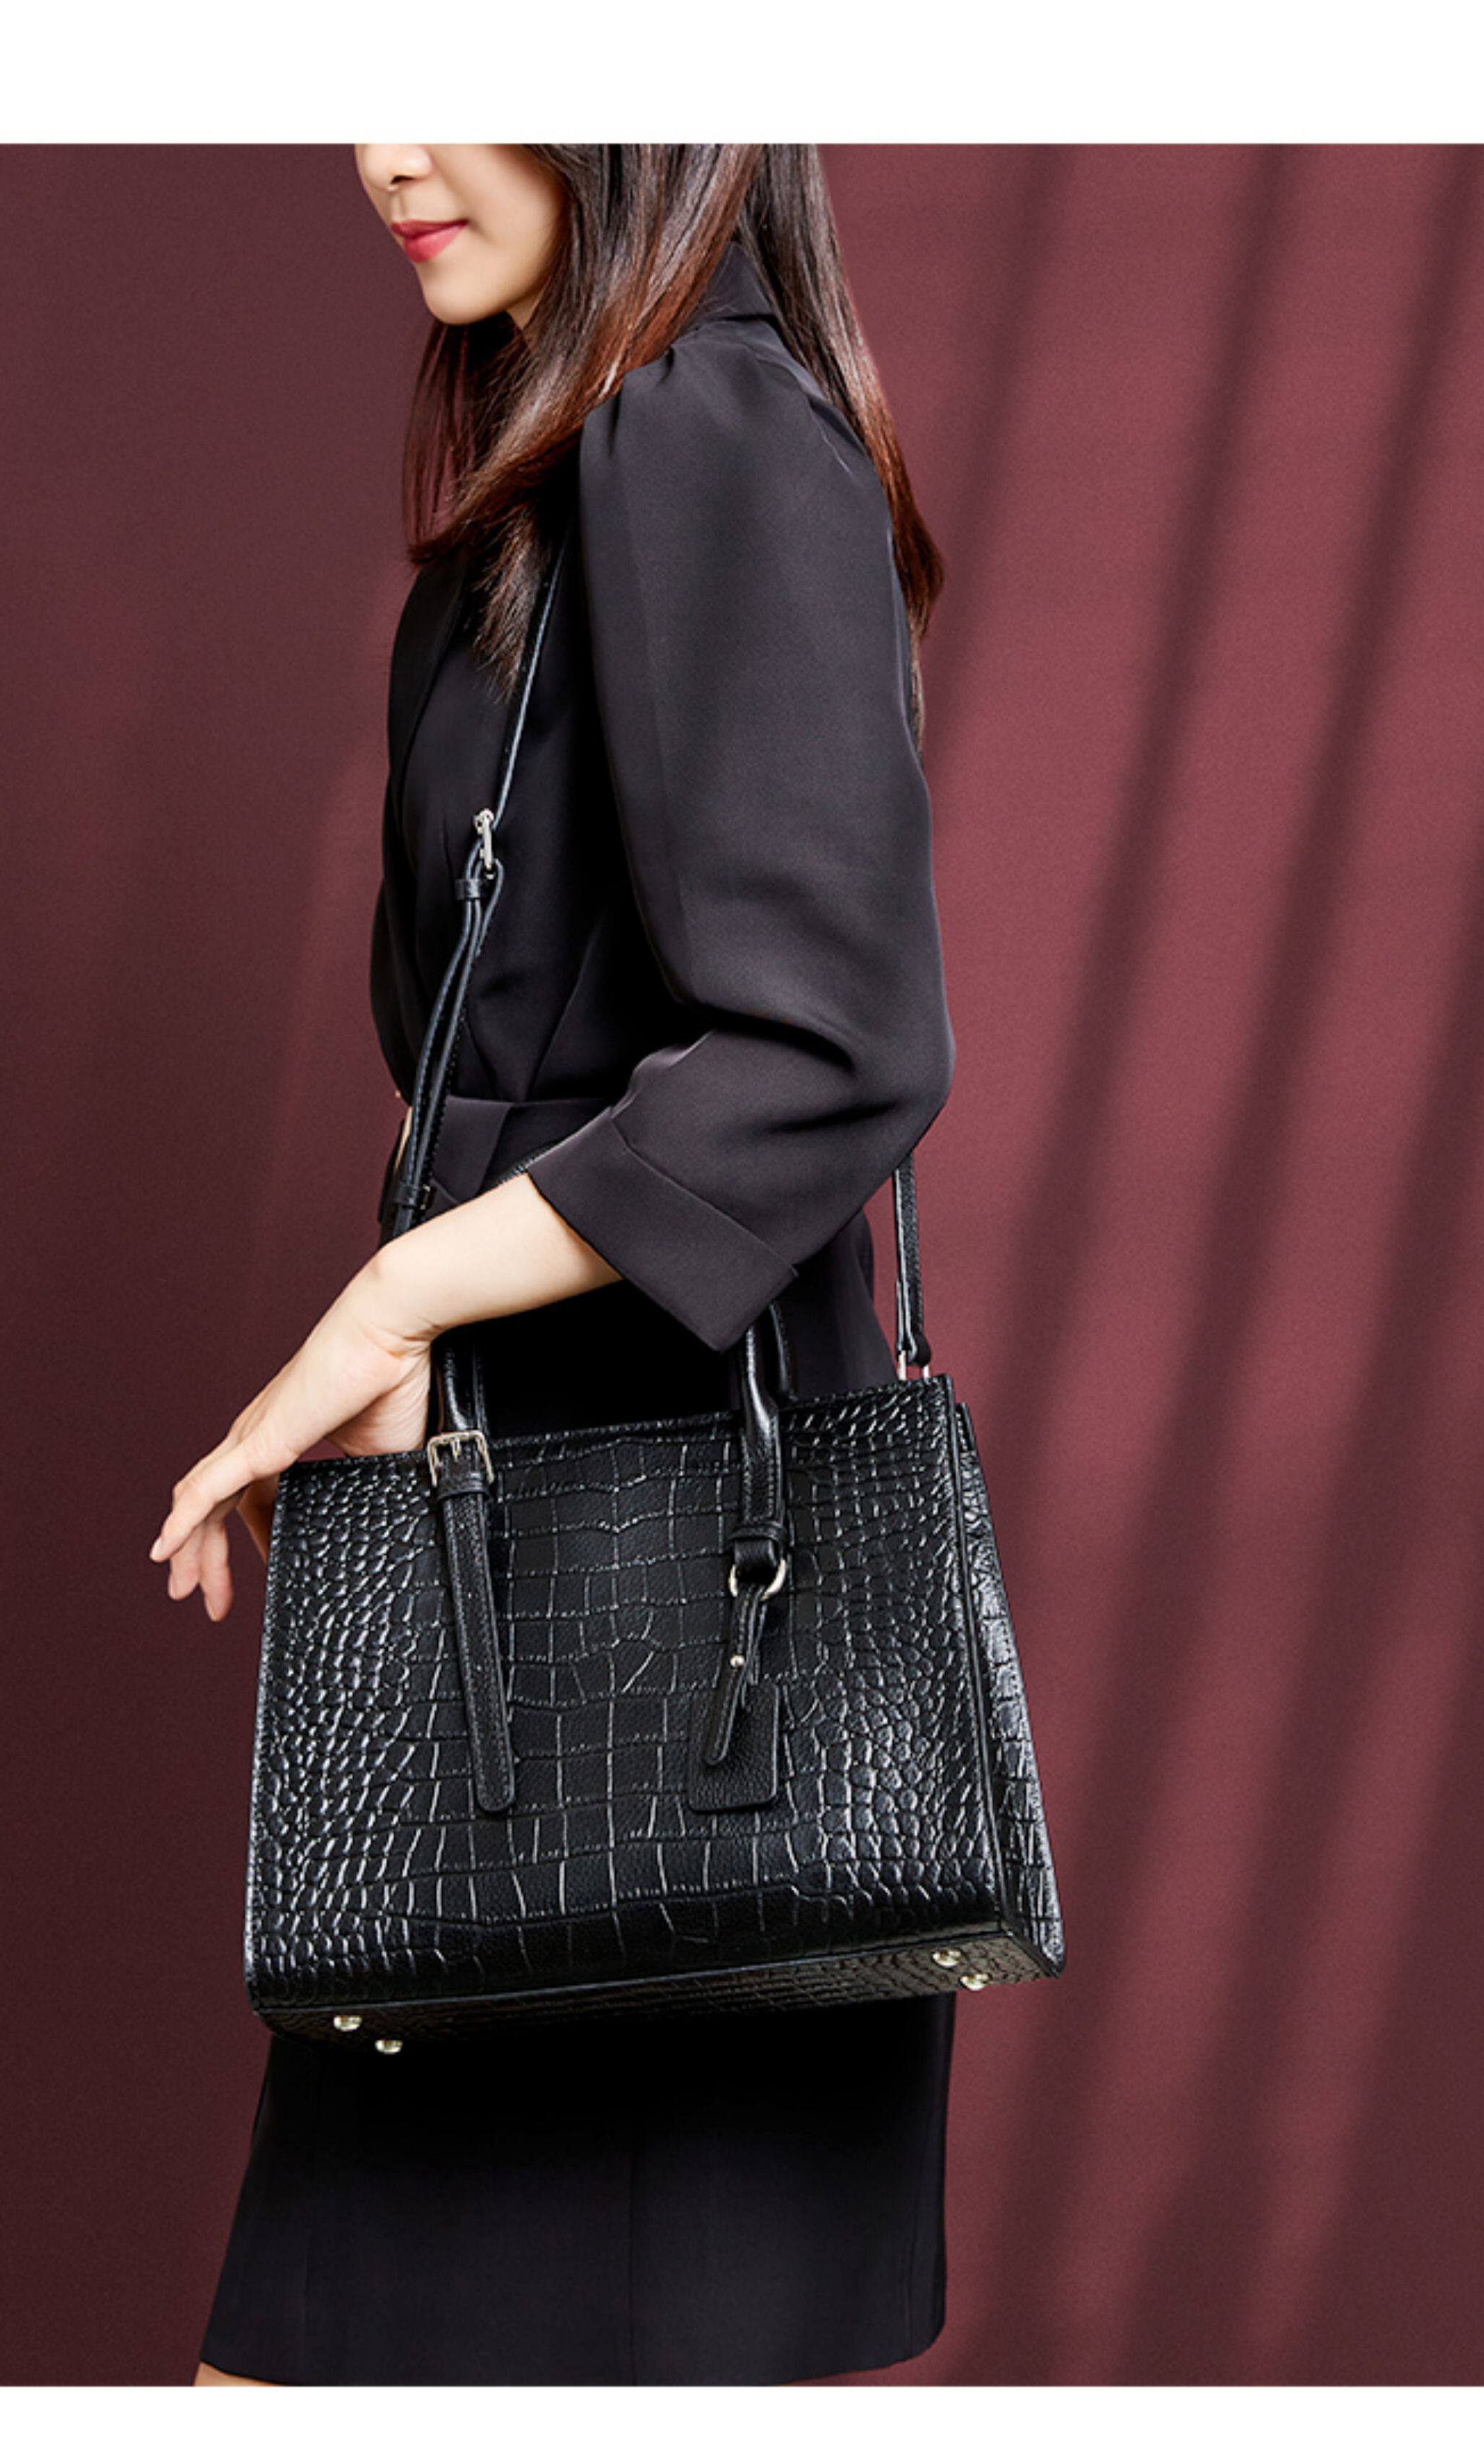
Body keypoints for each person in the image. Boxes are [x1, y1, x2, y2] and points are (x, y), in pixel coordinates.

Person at [150, 142, 958, 2388]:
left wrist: (393, 1301)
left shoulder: (702, 424)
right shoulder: (578, 452)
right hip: (540, 1680)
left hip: (675, 1701)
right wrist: (425, 1348)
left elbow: (832, 1043)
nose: (389, 147)